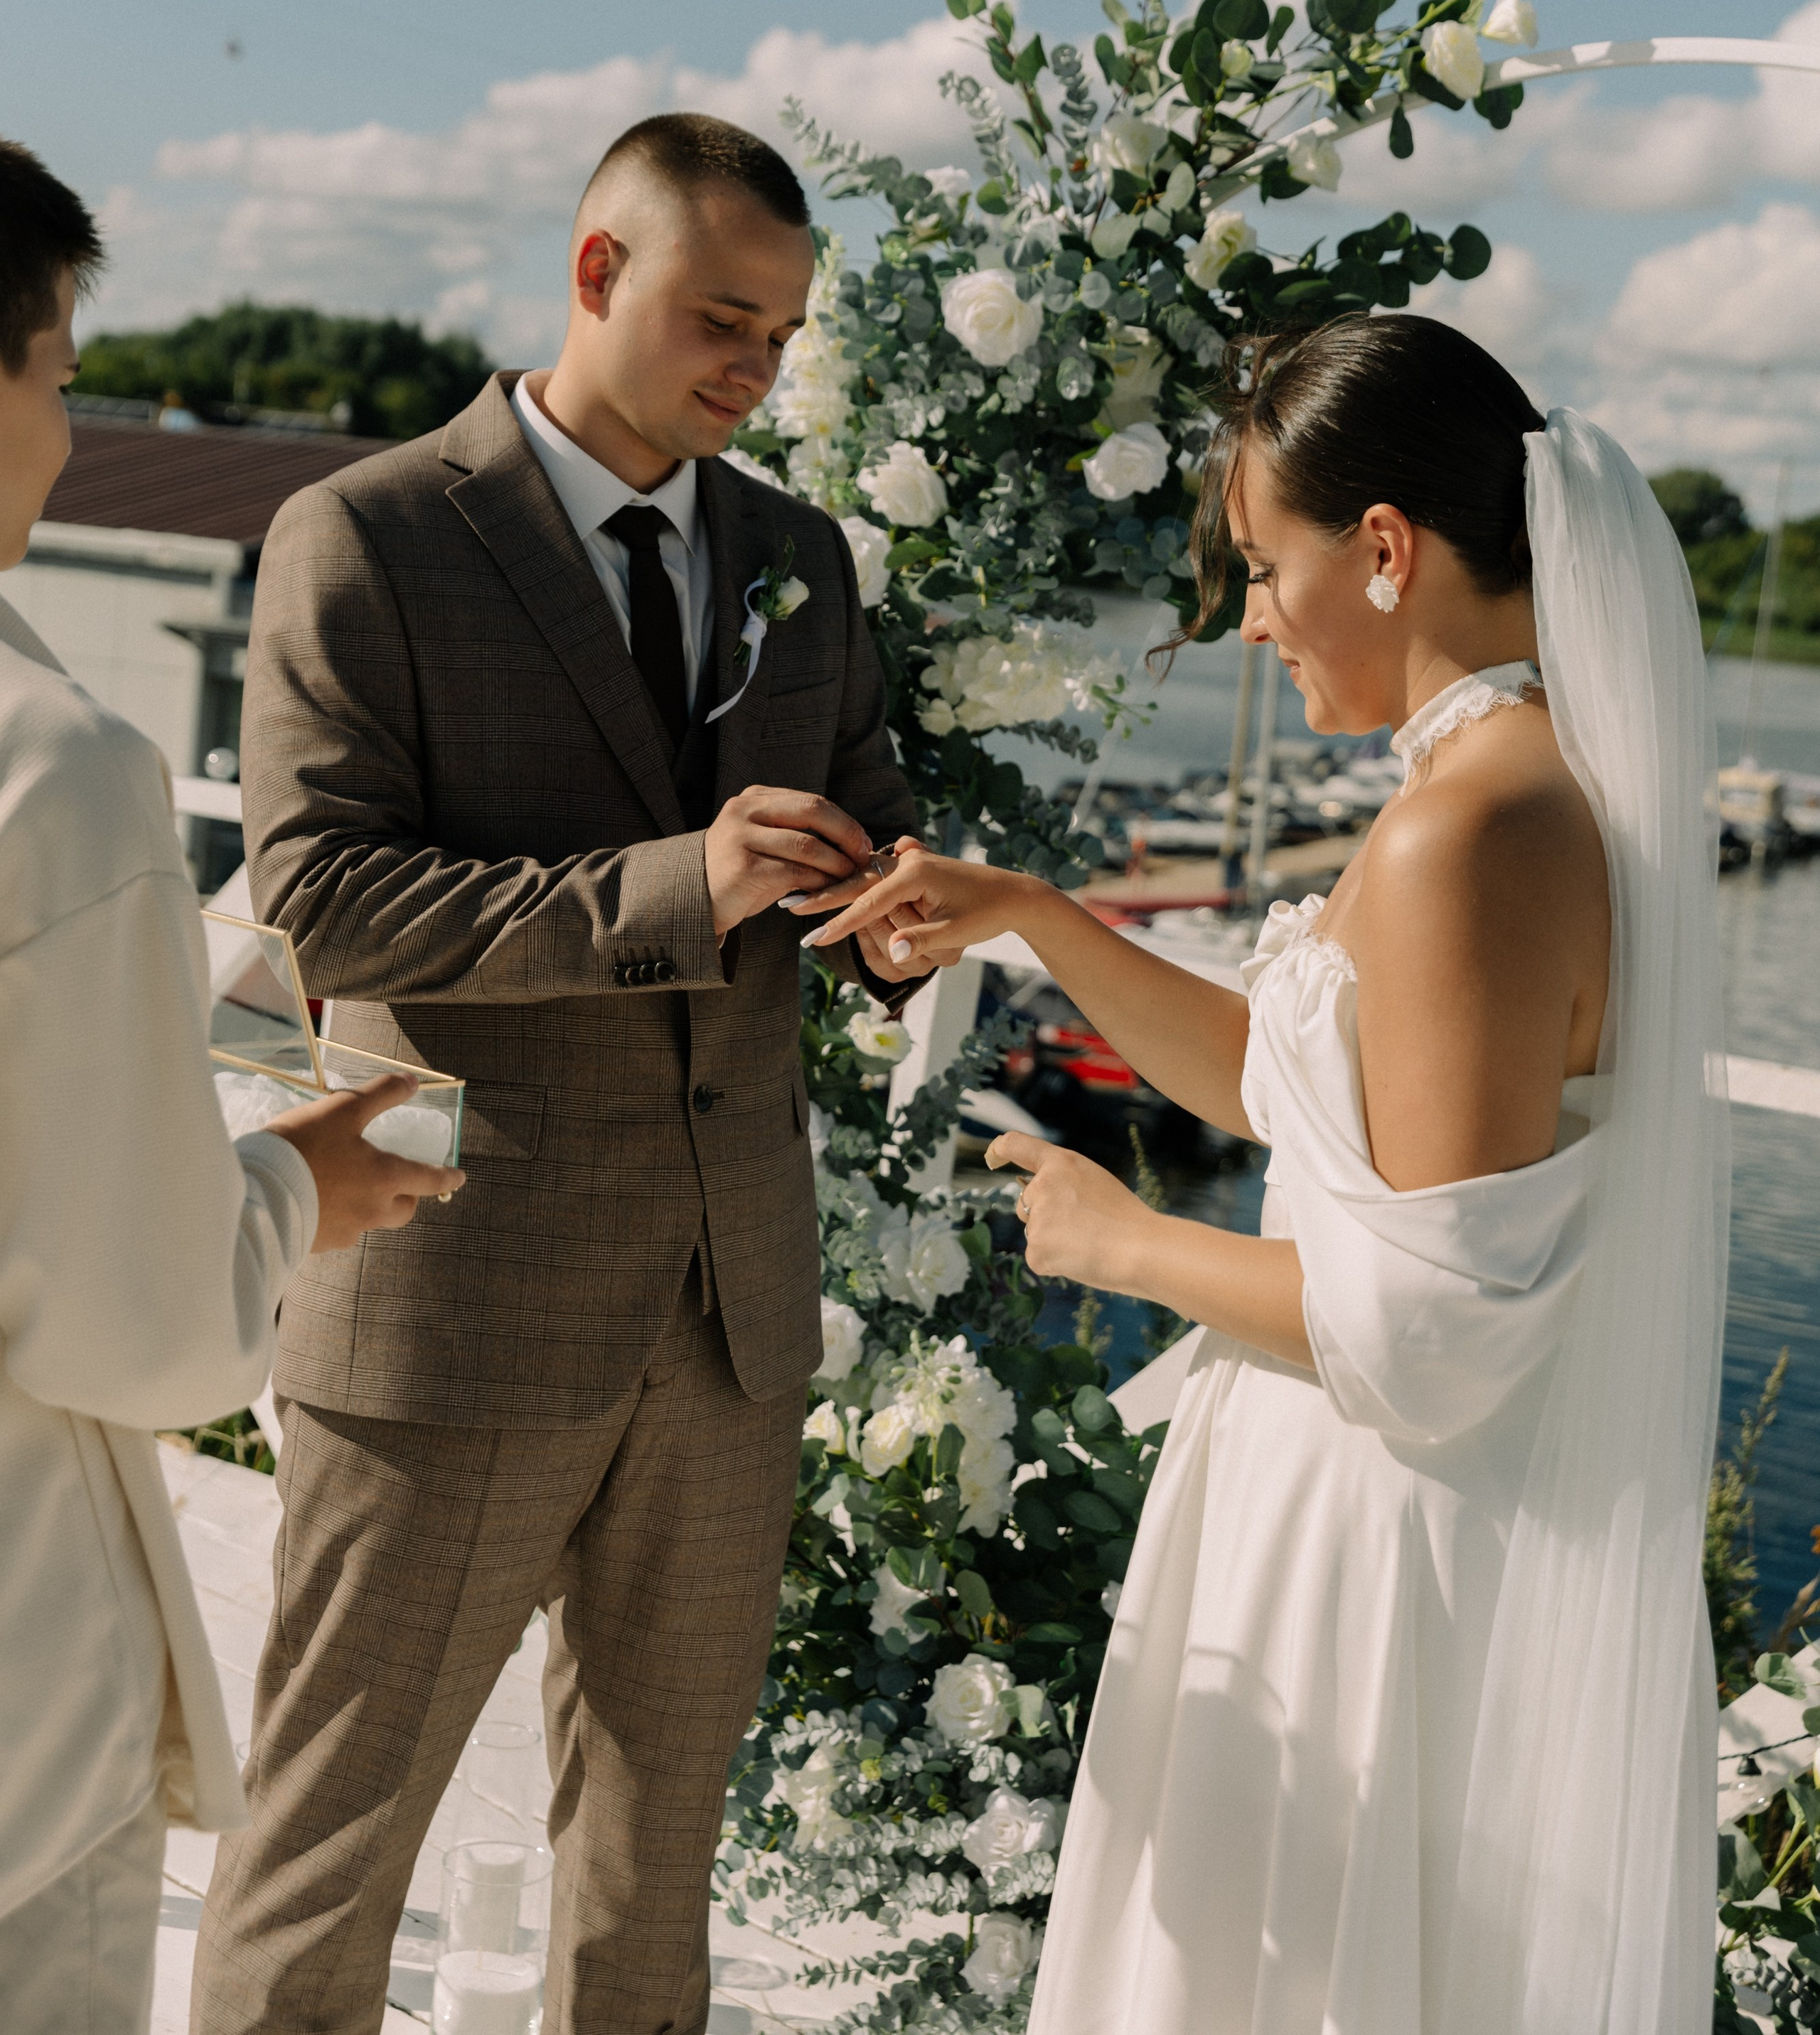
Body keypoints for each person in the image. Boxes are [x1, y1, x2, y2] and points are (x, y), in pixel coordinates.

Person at [803, 313, 1728, 2035]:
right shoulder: (1478, 791)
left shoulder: (1473, 828)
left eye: (1257, 564)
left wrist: (1125, 1241)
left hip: (1376, 1537)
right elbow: (1286, 1089)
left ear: (1380, 551)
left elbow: (1428, 1324)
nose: (1245, 619)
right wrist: (1036, 919)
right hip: (1335, 1487)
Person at [193, 113, 921, 2035]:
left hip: (726, 1315)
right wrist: (683, 885)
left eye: (779, 339)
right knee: (330, 1853)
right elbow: (325, 904)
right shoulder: (365, 533)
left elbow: (865, 815)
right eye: (720, 322)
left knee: (653, 1873)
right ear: (598, 272)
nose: (752, 373)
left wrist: (906, 909)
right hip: (450, 1302)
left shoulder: (799, 555)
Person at [0, 139, 465, 2035]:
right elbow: (141, 1320)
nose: (66, 439)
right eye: (55, 380)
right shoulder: (62, 769)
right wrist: (303, 1192)